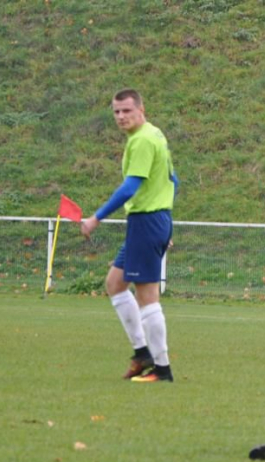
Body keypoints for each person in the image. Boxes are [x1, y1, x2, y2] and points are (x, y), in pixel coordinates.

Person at [81, 88, 178, 383]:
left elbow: (129, 187)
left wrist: (96, 217)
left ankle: (162, 370)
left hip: (147, 221)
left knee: (147, 296)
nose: (121, 117)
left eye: (127, 110)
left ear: (141, 109)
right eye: (116, 112)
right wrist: (165, 221)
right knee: (114, 283)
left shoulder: (143, 141)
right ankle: (142, 354)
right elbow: (174, 179)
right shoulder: (154, 134)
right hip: (151, 222)